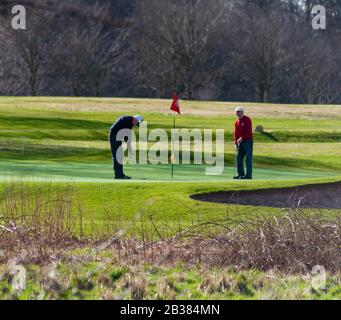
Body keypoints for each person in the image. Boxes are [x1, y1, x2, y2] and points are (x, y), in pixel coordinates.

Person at [109, 115, 143, 180]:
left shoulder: (129, 122)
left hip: (117, 136)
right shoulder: (128, 120)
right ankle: (118, 175)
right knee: (117, 156)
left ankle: (120, 174)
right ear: (135, 120)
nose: (135, 125)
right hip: (114, 135)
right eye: (137, 123)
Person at [233, 107, 253, 180]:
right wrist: (235, 143)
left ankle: (248, 175)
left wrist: (242, 138)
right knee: (239, 158)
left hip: (247, 141)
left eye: (239, 111)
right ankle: (241, 174)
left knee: (248, 158)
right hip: (240, 142)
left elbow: (249, 131)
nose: (238, 113)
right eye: (237, 112)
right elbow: (235, 133)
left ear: (242, 112)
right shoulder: (236, 122)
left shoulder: (247, 119)